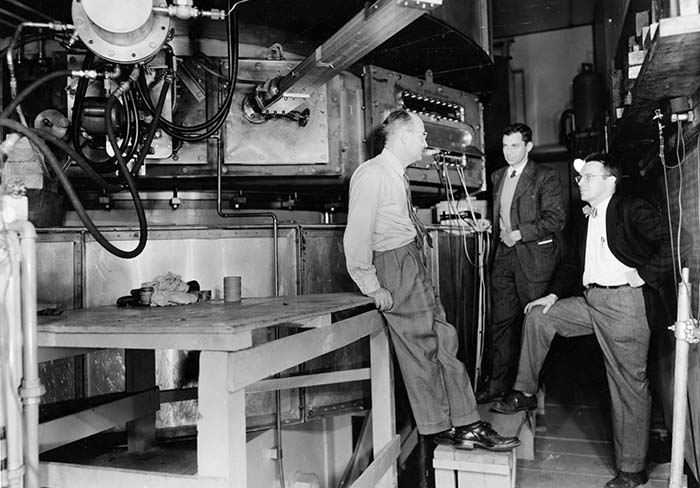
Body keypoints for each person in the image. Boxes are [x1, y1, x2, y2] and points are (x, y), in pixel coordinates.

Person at [343, 109, 520, 452]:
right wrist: (370, 284)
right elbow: (357, 235)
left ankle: (465, 421)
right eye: (422, 135)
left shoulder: (395, 173)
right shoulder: (373, 173)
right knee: (424, 346)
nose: (425, 142)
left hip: (409, 260)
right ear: (404, 137)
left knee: (443, 338)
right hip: (395, 264)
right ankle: (441, 424)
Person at [492, 153, 672, 488]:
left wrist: (643, 275)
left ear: (610, 181)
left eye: (588, 176)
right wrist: (553, 296)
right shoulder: (587, 218)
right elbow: (574, 265)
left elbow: (677, 242)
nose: (580, 182)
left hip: (624, 305)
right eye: (580, 177)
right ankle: (525, 391)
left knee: (628, 386)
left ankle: (632, 470)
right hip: (591, 301)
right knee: (539, 318)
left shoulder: (631, 208)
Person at [476, 123, 566, 403]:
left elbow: (555, 219)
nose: (508, 152)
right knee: (501, 322)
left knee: (534, 325)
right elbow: (503, 214)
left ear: (528, 147)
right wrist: (489, 225)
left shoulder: (544, 176)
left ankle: (532, 392)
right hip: (503, 256)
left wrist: (519, 233)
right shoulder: (498, 176)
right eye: (505, 146)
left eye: (514, 146)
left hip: (534, 258)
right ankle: (498, 385)